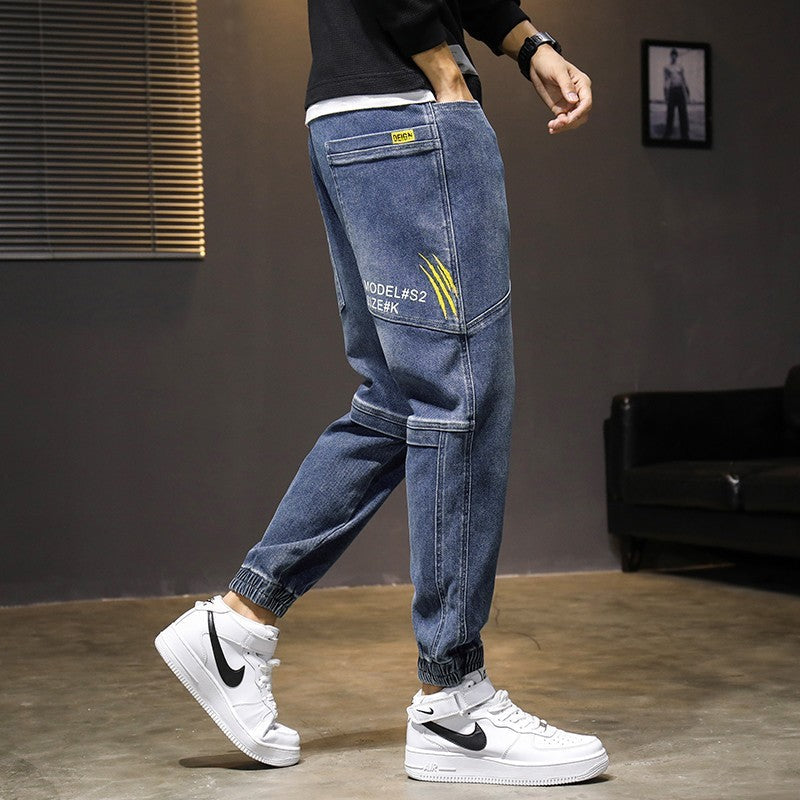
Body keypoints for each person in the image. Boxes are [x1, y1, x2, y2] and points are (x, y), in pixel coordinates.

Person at [155, 0, 607, 786]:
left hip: (352, 120)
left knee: (403, 399)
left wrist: (528, 44)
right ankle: (453, 701)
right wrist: (439, 62)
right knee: (462, 398)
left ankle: (239, 624)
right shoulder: (424, 79)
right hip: (407, 116)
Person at [663, 47, 690, 139]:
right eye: (672, 55)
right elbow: (666, 80)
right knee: (670, 112)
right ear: (670, 56)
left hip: (680, 91)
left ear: (677, 56)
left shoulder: (680, 66)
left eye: (675, 55)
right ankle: (668, 132)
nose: (673, 56)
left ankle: (685, 134)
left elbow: (683, 79)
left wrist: (687, 90)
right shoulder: (667, 67)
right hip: (672, 91)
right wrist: (665, 93)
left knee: (683, 112)